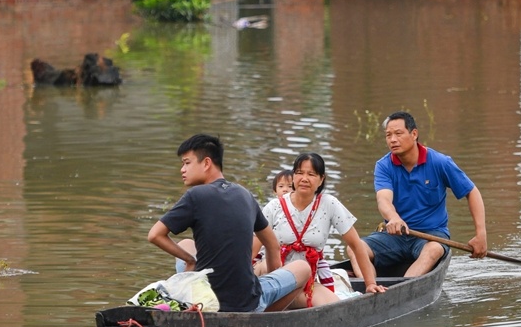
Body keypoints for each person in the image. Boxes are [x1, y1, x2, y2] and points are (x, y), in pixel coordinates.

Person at [147, 133, 311, 313]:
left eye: (187, 163)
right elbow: (272, 245)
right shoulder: (245, 195)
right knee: (303, 267)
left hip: (206, 299)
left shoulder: (195, 196)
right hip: (245, 300)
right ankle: (266, 315)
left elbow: (155, 235)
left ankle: (194, 302)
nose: (182, 169)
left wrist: (189, 260)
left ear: (207, 163)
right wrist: (272, 280)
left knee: (185, 247)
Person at [362, 111, 487, 278]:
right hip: (396, 235)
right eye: (388, 135)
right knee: (356, 248)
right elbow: (384, 199)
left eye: (398, 134)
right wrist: (394, 218)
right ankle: (369, 289)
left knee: (434, 249)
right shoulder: (384, 166)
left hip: (431, 235)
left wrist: (481, 234)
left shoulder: (439, 162)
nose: (392, 139)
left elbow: (472, 192)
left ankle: (402, 289)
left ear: (414, 134)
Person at [258, 152, 385, 306]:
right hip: (273, 280)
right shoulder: (275, 206)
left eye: (311, 174)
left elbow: (356, 245)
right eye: (299, 173)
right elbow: (252, 247)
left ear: (321, 179)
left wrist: (370, 283)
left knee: (335, 307)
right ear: (294, 177)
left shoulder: (329, 204)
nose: (304, 178)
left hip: (306, 284)